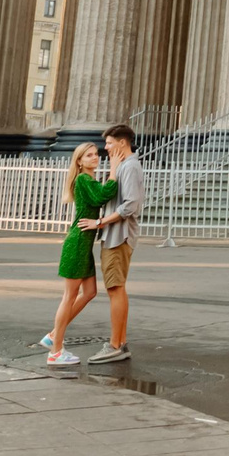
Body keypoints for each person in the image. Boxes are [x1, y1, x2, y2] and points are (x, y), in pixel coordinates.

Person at [43, 142, 115, 366]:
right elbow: (102, 196)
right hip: (77, 244)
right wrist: (114, 170)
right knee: (68, 297)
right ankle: (55, 351)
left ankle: (54, 334)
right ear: (79, 161)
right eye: (89, 156)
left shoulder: (88, 179)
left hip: (83, 246)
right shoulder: (84, 179)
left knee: (90, 291)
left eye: (96, 154)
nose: (95, 158)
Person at [82, 122, 144, 364]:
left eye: (109, 143)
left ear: (122, 143)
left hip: (118, 235)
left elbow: (131, 204)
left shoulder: (129, 167)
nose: (105, 147)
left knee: (115, 289)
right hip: (115, 234)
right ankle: (120, 342)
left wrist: (100, 222)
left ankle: (115, 345)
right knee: (116, 288)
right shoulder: (125, 166)